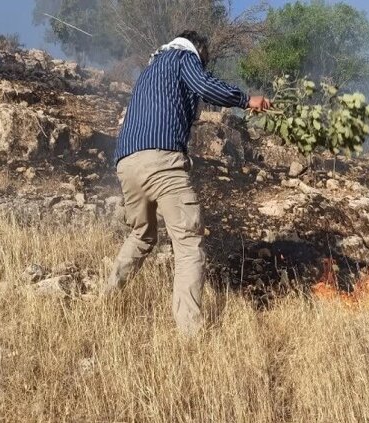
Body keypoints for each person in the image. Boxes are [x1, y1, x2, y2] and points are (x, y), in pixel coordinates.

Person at [104, 31, 270, 335]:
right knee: (188, 244)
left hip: (126, 163)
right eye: (203, 59)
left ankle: (108, 297)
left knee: (142, 234)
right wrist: (247, 100)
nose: (202, 63)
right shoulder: (183, 57)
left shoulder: (149, 72)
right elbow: (205, 86)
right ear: (199, 49)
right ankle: (191, 335)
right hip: (161, 161)